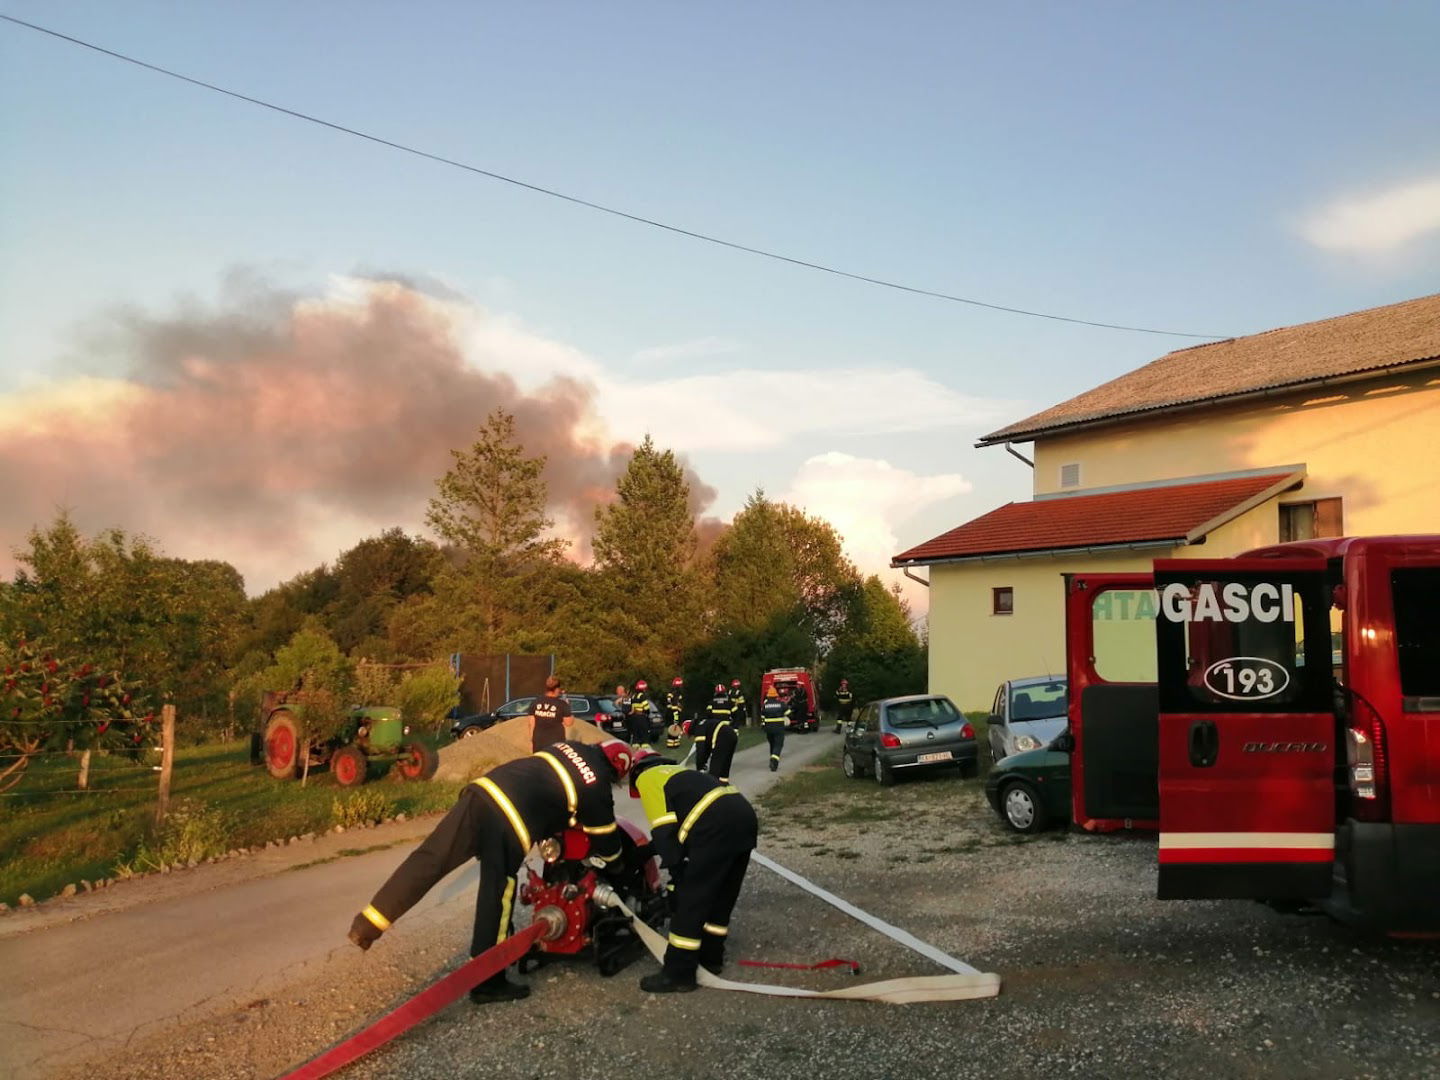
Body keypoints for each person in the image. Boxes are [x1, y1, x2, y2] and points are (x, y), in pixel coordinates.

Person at [348, 738, 635, 1003]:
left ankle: (368, 924)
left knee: (429, 859)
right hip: (511, 818)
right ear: (616, 770)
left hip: (482, 792)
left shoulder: (567, 747)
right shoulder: (596, 781)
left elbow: (550, 788)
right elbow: (605, 837)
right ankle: (488, 982)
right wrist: (619, 865)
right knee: (497, 892)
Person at [628, 750, 757, 993]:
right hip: (743, 817)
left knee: (691, 900)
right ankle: (711, 959)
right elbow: (681, 824)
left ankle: (679, 975)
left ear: (636, 773)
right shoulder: (684, 774)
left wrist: (678, 878)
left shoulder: (648, 778)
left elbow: (665, 833)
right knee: (723, 895)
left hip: (715, 826)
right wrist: (646, 852)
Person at [528, 675, 573, 752]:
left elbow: (531, 723)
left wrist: (532, 740)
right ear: (556, 689)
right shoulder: (562, 704)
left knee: (540, 762)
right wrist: (568, 706)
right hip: (556, 742)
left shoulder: (535, 702)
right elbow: (569, 723)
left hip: (538, 741)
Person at [705, 686, 737, 783]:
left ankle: (713, 777)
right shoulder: (730, 702)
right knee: (726, 754)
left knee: (714, 752)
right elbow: (736, 715)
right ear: (725, 692)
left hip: (714, 730)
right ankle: (723, 780)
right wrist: (735, 728)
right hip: (727, 731)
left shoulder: (711, 703)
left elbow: (708, 715)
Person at [760, 685, 789, 772]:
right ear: (776, 696)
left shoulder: (765, 706)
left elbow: (762, 717)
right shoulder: (781, 704)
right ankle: (774, 761)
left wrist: (763, 726)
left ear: (768, 696)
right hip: (779, 728)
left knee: (772, 744)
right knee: (778, 745)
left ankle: (772, 759)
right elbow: (789, 713)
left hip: (768, 728)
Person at [628, 679, 655, 747]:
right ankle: (645, 749)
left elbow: (632, 707)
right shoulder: (642, 696)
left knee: (636, 735)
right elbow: (646, 708)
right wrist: (647, 713)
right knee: (644, 734)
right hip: (642, 718)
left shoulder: (633, 696)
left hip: (634, 718)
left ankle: (636, 749)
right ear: (643, 689)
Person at [664, 677, 685, 749]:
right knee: (674, 726)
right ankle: (672, 744)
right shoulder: (674, 693)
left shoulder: (675, 693)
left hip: (674, 713)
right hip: (674, 713)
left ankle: (675, 743)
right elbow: (669, 702)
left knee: (676, 726)